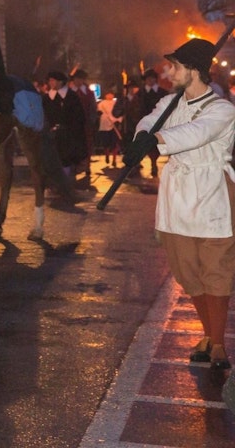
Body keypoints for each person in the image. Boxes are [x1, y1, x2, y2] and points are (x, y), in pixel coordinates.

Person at [127, 38, 235, 371]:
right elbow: (148, 120)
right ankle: (207, 335)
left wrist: (157, 140)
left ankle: (217, 344)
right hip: (177, 199)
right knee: (188, 272)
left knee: (216, 270)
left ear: (193, 71)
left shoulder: (223, 109)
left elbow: (196, 133)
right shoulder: (170, 102)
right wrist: (141, 136)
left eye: (174, 66)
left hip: (212, 194)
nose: (168, 72)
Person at [43, 70, 87, 180]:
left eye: (53, 80)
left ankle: (67, 181)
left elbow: (79, 116)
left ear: (60, 82)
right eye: (50, 81)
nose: (51, 83)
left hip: (69, 134)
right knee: (53, 158)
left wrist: (72, 130)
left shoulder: (71, 97)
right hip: (52, 134)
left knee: (66, 159)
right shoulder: (47, 98)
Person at [69, 69, 98, 183]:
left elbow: (93, 108)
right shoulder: (70, 91)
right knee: (73, 145)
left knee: (87, 145)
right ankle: (74, 166)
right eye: (77, 79)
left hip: (85, 124)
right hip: (72, 124)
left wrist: (91, 121)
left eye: (81, 79)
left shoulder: (88, 93)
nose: (79, 81)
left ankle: (87, 166)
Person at [140, 69, 168, 178]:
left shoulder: (162, 92)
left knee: (158, 144)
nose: (150, 81)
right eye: (148, 79)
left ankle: (154, 162)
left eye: (152, 78)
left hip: (160, 123)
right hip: (145, 123)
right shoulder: (141, 93)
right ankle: (152, 163)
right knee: (148, 145)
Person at [95, 92, 121, 168]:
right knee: (106, 143)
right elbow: (98, 112)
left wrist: (118, 121)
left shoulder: (116, 103)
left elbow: (120, 112)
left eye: (111, 94)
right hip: (104, 126)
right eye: (108, 94)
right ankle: (106, 154)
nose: (110, 96)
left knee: (115, 143)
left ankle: (114, 159)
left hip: (114, 126)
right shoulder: (101, 104)